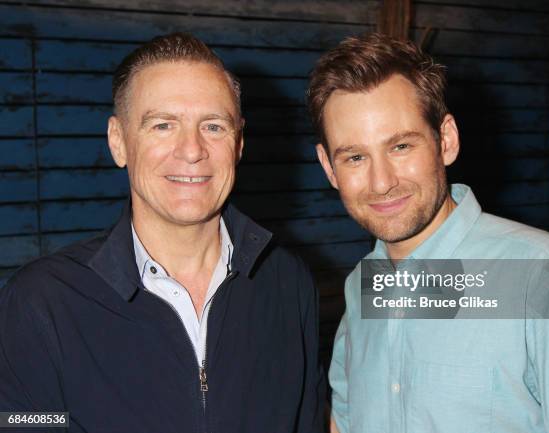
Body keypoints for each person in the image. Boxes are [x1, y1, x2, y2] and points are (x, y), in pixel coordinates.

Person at [0, 32, 325, 433]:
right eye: (162, 125)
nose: (191, 150)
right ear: (118, 142)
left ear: (238, 143)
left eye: (213, 126)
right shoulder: (41, 303)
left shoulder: (288, 283)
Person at [307, 32, 549, 433]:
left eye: (401, 147)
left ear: (446, 140)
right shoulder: (362, 285)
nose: (381, 182)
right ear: (329, 169)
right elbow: (343, 421)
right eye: (356, 157)